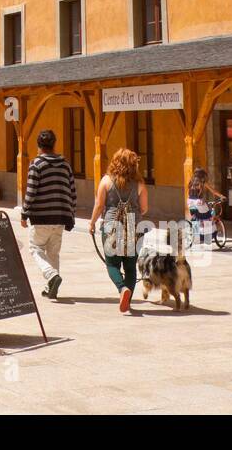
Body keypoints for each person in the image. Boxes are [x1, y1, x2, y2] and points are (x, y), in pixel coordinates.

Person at [89, 148, 148, 314]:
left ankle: (122, 289)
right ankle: (127, 298)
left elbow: (99, 205)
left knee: (112, 263)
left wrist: (92, 223)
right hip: (133, 228)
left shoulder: (106, 181)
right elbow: (144, 208)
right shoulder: (140, 184)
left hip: (111, 227)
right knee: (130, 266)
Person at [21, 129, 76, 300]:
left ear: (39, 146)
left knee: (35, 248)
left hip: (41, 217)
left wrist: (24, 213)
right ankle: (52, 288)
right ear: (54, 145)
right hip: (60, 217)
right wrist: (70, 213)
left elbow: (31, 192)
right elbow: (72, 192)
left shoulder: (36, 165)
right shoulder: (66, 165)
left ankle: (50, 275)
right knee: (53, 253)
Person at [186, 168, 224, 247]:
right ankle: (208, 236)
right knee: (208, 217)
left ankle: (196, 237)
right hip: (199, 202)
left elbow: (190, 193)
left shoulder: (191, 182)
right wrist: (221, 196)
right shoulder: (203, 182)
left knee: (196, 218)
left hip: (190, 202)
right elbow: (213, 191)